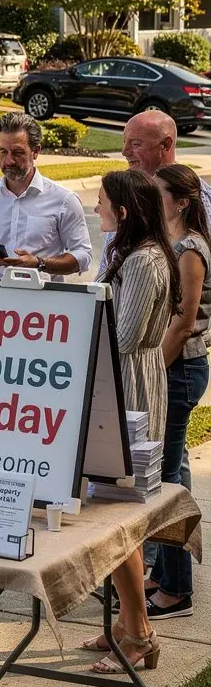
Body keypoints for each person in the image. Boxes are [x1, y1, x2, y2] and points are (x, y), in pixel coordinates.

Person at [83, 169, 181, 675]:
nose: (93, 207)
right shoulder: (128, 253)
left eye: (100, 201)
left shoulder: (144, 260)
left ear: (122, 212)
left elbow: (123, 337)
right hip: (115, 389)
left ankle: (140, 635)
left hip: (131, 392)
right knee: (111, 514)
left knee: (119, 518)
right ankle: (126, 623)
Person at [146, 164, 211, 619]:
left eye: (159, 193)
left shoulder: (191, 249)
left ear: (181, 201)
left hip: (181, 370)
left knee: (167, 482)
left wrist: (153, 369)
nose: (152, 199)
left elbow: (185, 322)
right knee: (159, 477)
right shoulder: (171, 243)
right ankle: (161, 577)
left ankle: (177, 591)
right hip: (171, 369)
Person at [0, 112, 91, 279]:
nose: (8, 161)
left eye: (17, 153)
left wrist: (39, 263)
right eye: (3, 152)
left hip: (42, 302)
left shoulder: (64, 200)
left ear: (35, 151)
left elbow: (83, 254)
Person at [97, 111, 211, 275]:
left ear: (165, 145)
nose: (124, 151)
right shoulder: (125, 196)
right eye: (124, 142)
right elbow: (107, 267)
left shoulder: (200, 199)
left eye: (135, 144)